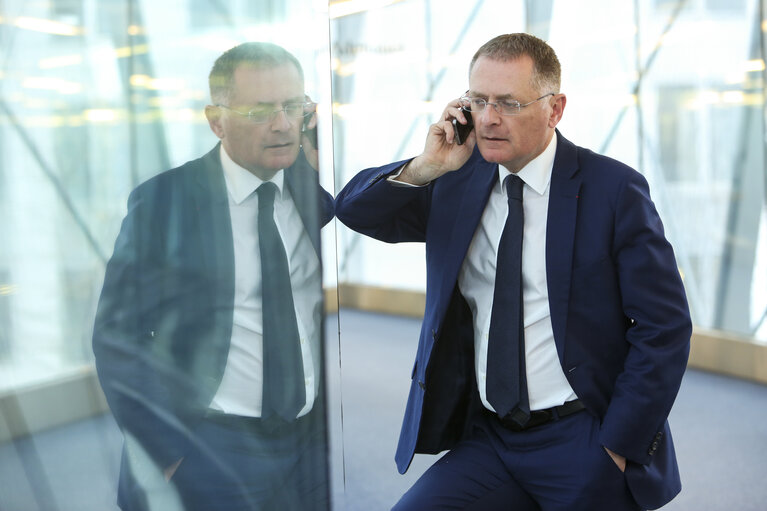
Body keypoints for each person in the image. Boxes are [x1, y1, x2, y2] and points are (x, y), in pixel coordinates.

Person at [334, 33, 691, 511]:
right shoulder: (456, 180)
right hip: (490, 438)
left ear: (555, 109)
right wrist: (426, 165)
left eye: (507, 103)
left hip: (584, 437)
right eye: (477, 100)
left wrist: (618, 447)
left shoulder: (613, 189)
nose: (487, 119)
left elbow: (664, 327)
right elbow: (355, 210)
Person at [92, 42, 334, 511]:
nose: (282, 123)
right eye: (261, 110)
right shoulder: (166, 201)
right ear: (216, 119)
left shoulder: (306, 189)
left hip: (306, 445)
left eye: (292, 106)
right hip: (211, 444)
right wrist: (161, 450)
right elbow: (117, 335)